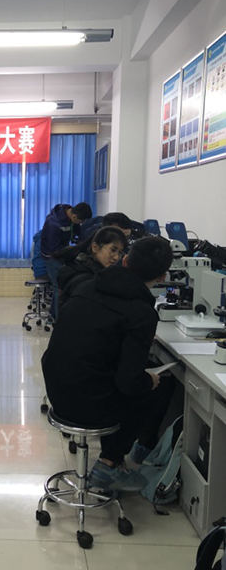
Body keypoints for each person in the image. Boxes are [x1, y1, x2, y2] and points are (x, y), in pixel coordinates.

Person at [42, 236, 174, 491]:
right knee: (155, 387)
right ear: (162, 277)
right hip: (88, 404)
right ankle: (110, 463)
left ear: (124, 260)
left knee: (119, 376)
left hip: (56, 389)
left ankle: (120, 457)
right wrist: (149, 380)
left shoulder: (86, 286)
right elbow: (129, 382)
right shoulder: (142, 313)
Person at [40, 202, 92, 319]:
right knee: (59, 287)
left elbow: (78, 232)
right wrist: (71, 251)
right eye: (81, 221)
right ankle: (58, 320)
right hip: (51, 257)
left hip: (60, 253)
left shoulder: (69, 216)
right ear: (74, 217)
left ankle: (53, 313)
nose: (81, 223)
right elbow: (54, 249)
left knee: (59, 286)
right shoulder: (55, 224)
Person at [55, 226, 128, 308]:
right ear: (95, 247)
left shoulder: (82, 267)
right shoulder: (85, 278)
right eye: (113, 250)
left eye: (120, 252)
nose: (116, 257)